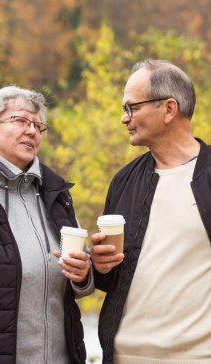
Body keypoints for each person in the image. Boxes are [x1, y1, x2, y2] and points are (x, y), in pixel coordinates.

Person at [0, 86, 94, 364]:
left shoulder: (57, 193)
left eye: (37, 125)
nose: (31, 131)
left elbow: (82, 283)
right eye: (20, 120)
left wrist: (84, 273)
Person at [91, 59, 211, 364]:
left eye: (132, 108)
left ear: (169, 109)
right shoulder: (123, 180)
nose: (123, 118)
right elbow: (108, 280)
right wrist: (100, 267)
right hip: (125, 356)